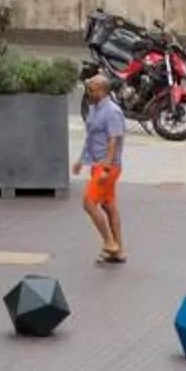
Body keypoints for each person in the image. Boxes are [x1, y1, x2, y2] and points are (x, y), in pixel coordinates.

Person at [73, 71, 128, 261]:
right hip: (98, 164)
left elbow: (114, 141)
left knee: (88, 203)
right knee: (108, 205)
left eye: (93, 88)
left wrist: (105, 168)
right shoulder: (94, 108)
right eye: (88, 88)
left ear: (103, 91)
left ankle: (109, 242)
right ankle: (118, 251)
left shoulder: (112, 111)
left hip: (108, 167)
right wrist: (81, 160)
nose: (89, 91)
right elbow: (91, 137)